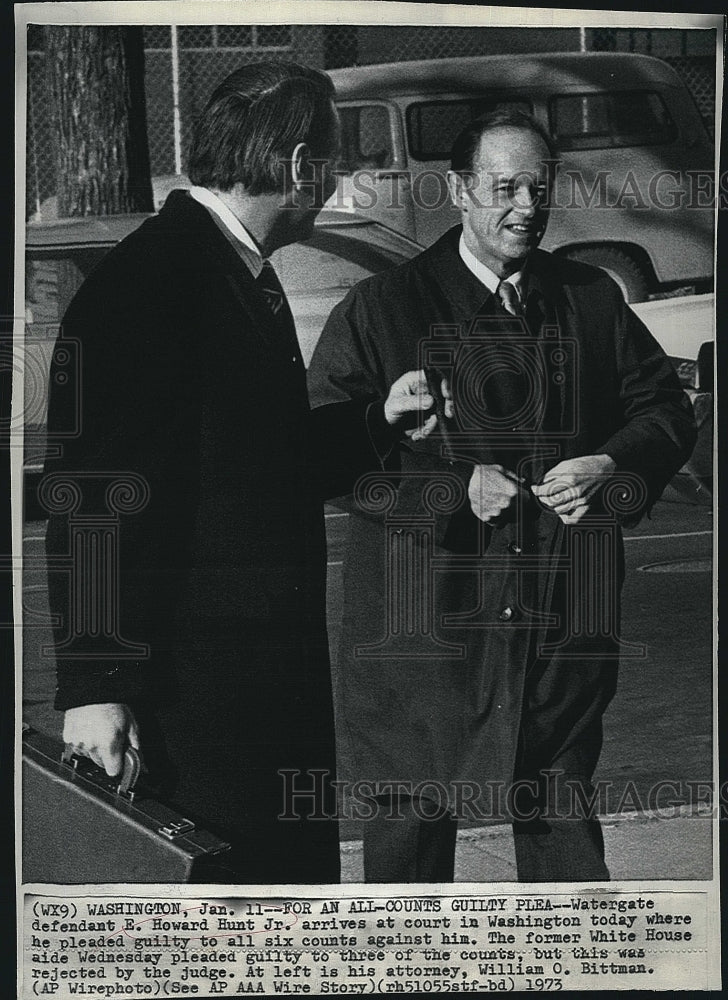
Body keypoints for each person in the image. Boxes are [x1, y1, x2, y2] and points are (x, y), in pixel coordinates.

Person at [43, 61, 439, 884]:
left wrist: (376, 422)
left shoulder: (227, 271)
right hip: (193, 706)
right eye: (336, 159)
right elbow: (91, 500)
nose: (343, 178)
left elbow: (258, 461)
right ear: (299, 167)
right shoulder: (152, 285)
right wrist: (95, 685)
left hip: (250, 695)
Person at [307, 108, 697, 883]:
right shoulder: (384, 309)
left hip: (557, 620)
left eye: (540, 187)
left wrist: (613, 466)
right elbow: (324, 455)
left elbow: (665, 409)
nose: (526, 207)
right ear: (459, 191)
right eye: (505, 188)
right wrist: (452, 487)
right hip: (424, 632)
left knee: (562, 831)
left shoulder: (589, 300)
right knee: (410, 859)